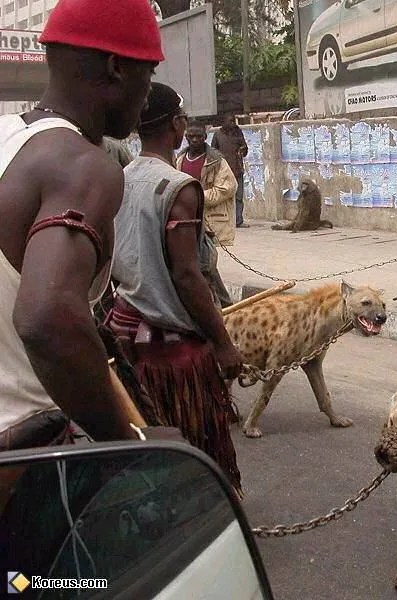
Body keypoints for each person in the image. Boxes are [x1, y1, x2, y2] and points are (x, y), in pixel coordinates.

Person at [0, 0, 166, 451]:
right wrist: (126, 441)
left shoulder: (7, 138)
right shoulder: (83, 166)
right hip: (24, 453)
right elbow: (46, 318)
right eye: (147, 74)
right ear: (115, 68)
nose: (148, 93)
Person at [108, 83, 245, 496]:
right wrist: (222, 343)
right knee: (195, 445)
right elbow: (187, 275)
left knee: (147, 447)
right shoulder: (178, 187)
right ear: (177, 124)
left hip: (125, 336)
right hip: (172, 354)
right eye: (185, 119)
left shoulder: (121, 177)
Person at [176, 120, 236, 308]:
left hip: (208, 221)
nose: (195, 140)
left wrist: (197, 196)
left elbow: (228, 188)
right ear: (186, 137)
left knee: (206, 264)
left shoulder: (216, 160)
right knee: (199, 266)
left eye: (199, 136)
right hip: (185, 221)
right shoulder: (180, 159)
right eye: (191, 136)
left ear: (205, 137)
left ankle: (224, 306)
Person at [212, 113, 250, 228]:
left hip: (237, 169)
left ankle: (238, 220)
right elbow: (213, 150)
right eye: (230, 121)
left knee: (238, 196)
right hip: (223, 171)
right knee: (225, 197)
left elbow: (245, 149)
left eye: (234, 121)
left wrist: (242, 150)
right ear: (224, 122)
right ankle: (226, 220)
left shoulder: (237, 132)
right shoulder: (218, 134)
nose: (233, 123)